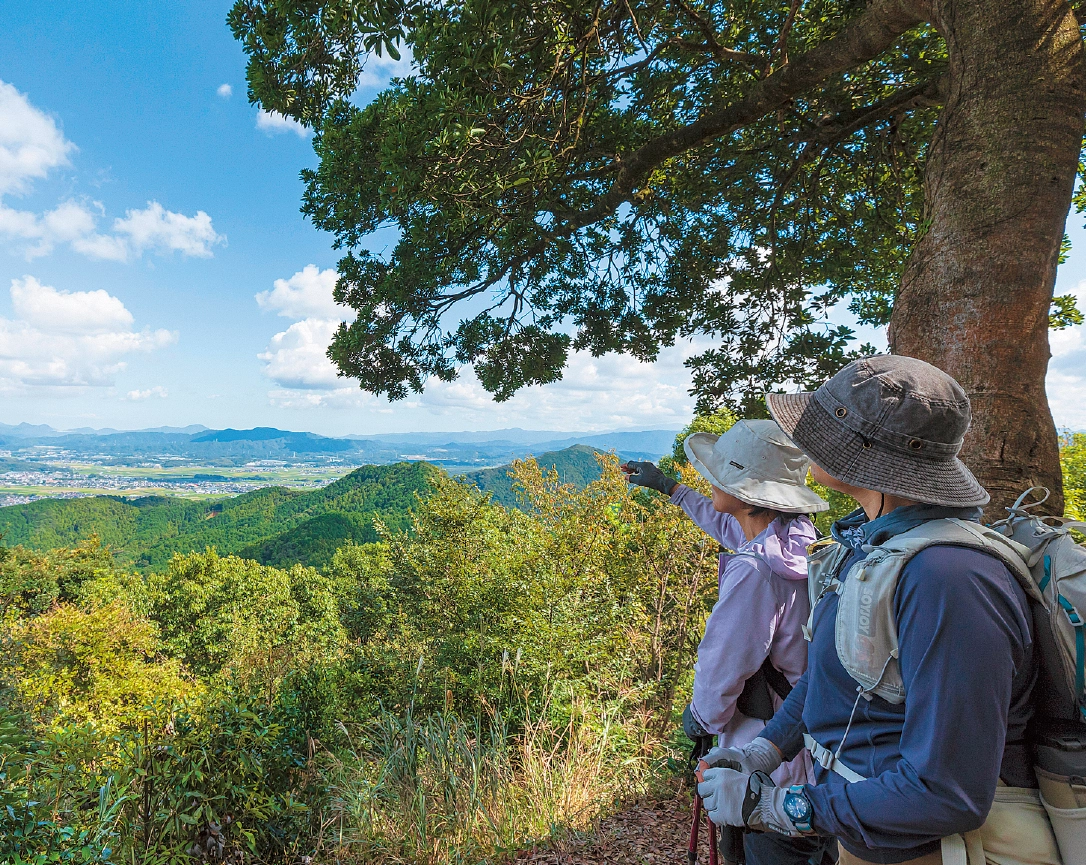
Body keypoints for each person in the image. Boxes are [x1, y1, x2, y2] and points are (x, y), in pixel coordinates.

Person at [695, 355, 1062, 865]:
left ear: (863, 455)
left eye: (822, 429)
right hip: (866, 830)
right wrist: (763, 751)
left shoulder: (948, 580)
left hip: (927, 850)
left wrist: (781, 807)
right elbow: (831, 679)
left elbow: (946, 792)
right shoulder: (869, 549)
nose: (804, 440)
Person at [623, 418, 830, 865]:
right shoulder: (797, 544)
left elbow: (722, 663)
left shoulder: (753, 572)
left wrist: (700, 717)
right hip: (803, 748)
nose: (711, 480)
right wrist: (672, 490)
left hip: (760, 756)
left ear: (751, 496)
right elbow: (736, 531)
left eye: (722, 476)